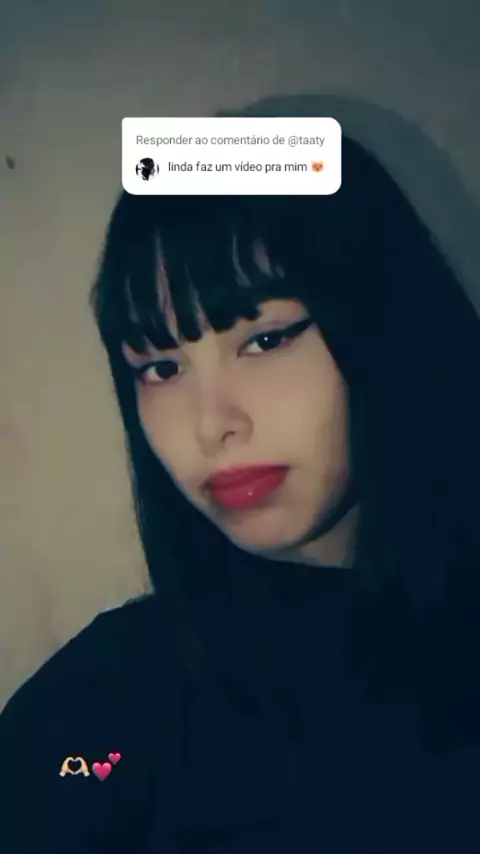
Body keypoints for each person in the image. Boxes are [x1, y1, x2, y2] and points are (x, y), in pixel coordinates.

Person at [1, 130, 480, 854]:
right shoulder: (113, 703)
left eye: (265, 340)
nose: (210, 424)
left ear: (386, 324)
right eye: (161, 367)